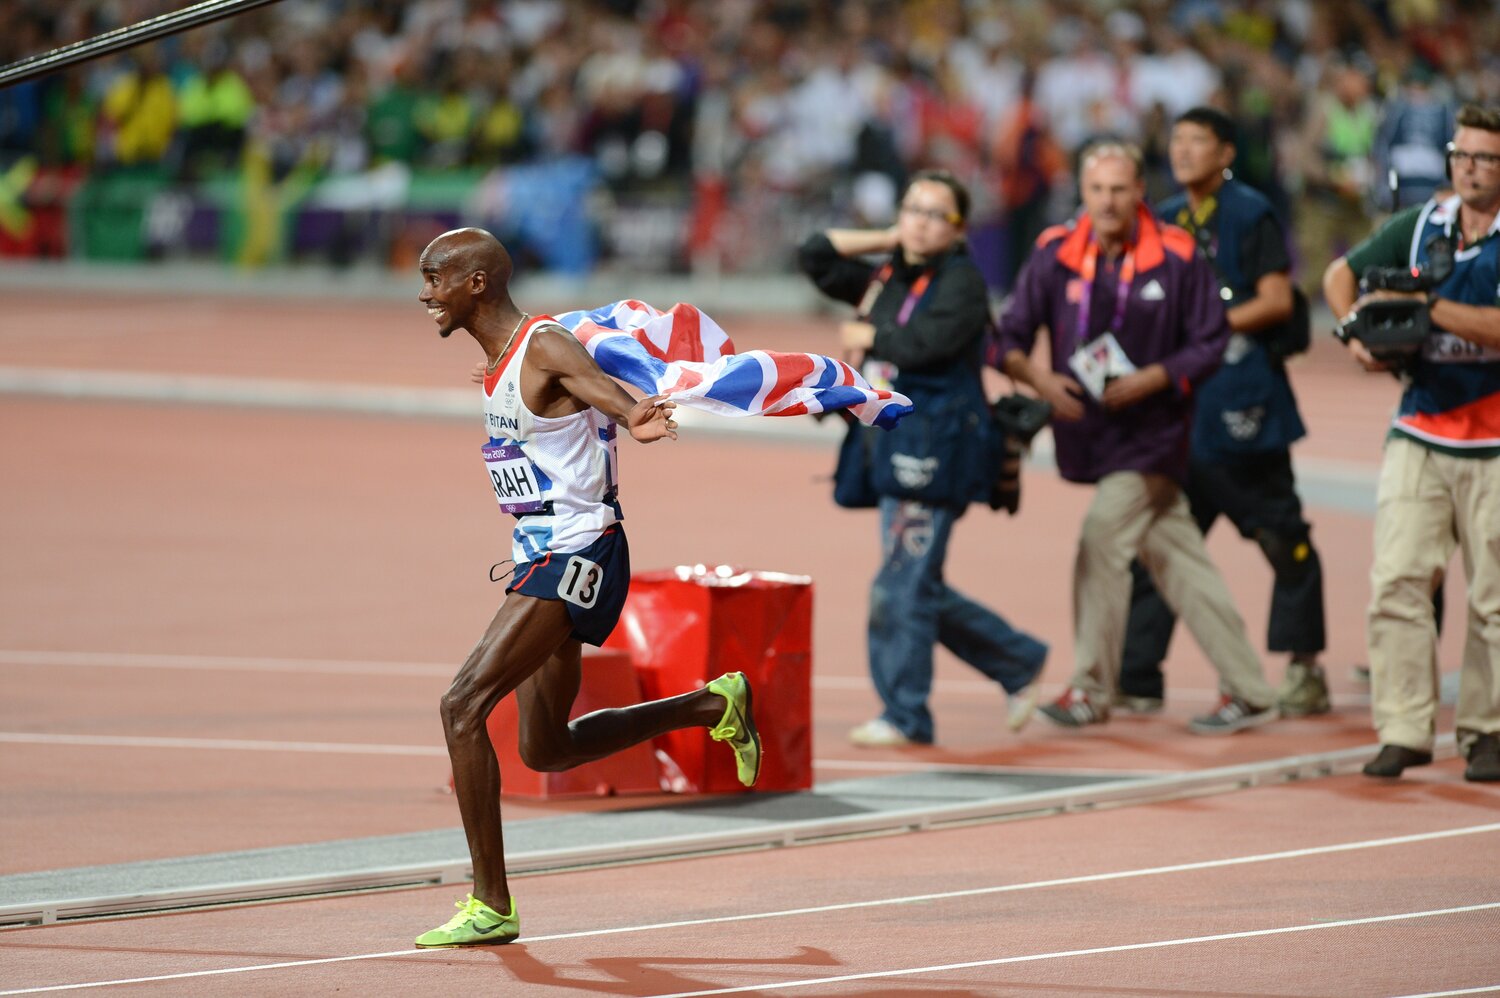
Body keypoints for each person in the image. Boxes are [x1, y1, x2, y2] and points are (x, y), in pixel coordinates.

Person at [413, 228, 762, 946]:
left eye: (435, 276)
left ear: (476, 283)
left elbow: (600, 389)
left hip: (580, 555)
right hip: (542, 555)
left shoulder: (541, 344)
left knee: (460, 707)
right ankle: (709, 704)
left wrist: (634, 413)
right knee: (545, 749)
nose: (423, 292)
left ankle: (491, 903)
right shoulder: (505, 358)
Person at [995, 141, 1280, 735]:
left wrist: (1154, 377)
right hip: (1089, 433)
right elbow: (1007, 338)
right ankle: (1251, 689)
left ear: (1140, 192)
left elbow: (1209, 341)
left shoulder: (1176, 254)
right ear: (1081, 190)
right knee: (1180, 559)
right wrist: (1042, 381)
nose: (1107, 200)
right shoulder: (1055, 251)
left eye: (1119, 189)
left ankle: (1092, 688)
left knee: (1102, 537)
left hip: (1155, 435)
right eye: (1096, 189)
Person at [798, 169, 1048, 747]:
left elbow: (927, 345)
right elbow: (813, 254)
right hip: (896, 444)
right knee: (915, 584)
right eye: (912, 208)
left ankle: (905, 714)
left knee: (900, 586)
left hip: (938, 448)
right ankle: (1017, 662)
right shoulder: (888, 275)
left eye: (936, 214)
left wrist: (868, 336)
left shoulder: (961, 282)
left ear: (960, 229)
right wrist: (887, 236)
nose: (920, 220)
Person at [1117, 107, 1329, 718]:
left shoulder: (1250, 213)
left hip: (1245, 404)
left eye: (1197, 141)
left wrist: (1199, 332)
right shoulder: (1163, 217)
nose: (1182, 151)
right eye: (1176, 141)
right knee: (1159, 539)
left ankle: (1304, 667)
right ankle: (1136, 675)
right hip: (1181, 410)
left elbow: (1275, 300)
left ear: (1226, 151)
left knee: (1280, 535)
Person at [1323, 104, 1500, 783]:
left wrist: (1427, 311)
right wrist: (1356, 333)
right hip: (1421, 428)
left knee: (1494, 599)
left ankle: (1487, 732)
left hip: (1493, 438)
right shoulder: (1422, 223)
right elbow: (1342, 273)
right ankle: (1403, 728)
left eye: (1485, 158)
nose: (1470, 168)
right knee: (1397, 580)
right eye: (1462, 155)